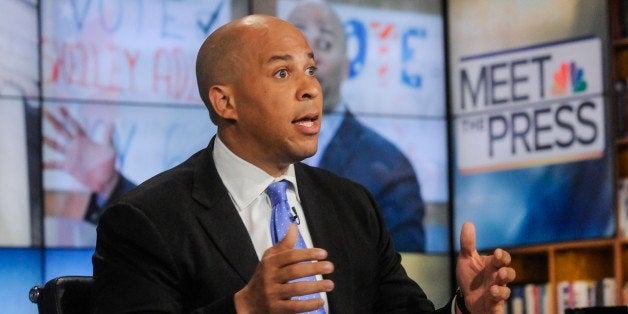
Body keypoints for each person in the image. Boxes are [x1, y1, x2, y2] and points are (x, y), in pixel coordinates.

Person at [92, 14, 515, 313]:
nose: (311, 87)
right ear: (226, 101)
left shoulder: (352, 206)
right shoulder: (146, 220)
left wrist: (466, 308)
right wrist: (244, 309)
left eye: (310, 69)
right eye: (282, 73)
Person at [286, 1, 427, 252]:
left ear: (346, 68)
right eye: (296, 47)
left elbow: (407, 274)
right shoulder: (255, 151)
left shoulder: (389, 166)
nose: (310, 58)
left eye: (324, 44)